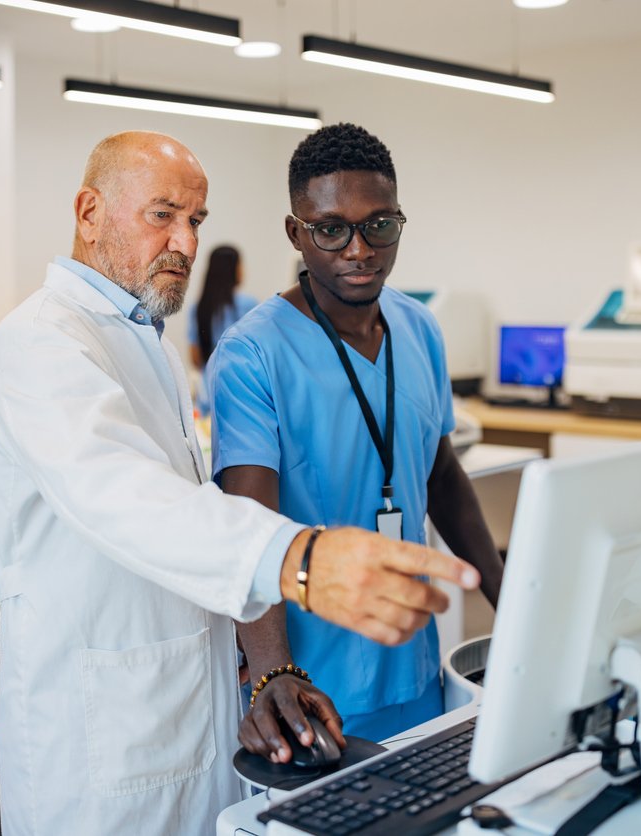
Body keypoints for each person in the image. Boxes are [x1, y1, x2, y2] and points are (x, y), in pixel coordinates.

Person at [0, 130, 483, 836]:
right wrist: (300, 560)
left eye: (196, 220)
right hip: (99, 739)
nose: (184, 240)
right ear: (89, 213)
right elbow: (125, 498)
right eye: (161, 215)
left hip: (187, 714)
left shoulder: (142, 338)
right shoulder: (40, 345)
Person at [209, 123, 505, 762]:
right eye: (330, 228)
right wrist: (274, 675)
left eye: (379, 225)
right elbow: (246, 526)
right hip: (314, 684)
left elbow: (440, 472)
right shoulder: (252, 355)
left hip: (414, 662)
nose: (358, 249)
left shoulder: (419, 327)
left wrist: (507, 598)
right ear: (296, 232)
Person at [186, 245, 257, 416]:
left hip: (207, 394)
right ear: (235, 269)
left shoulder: (198, 308)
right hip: (240, 391)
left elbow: (195, 357)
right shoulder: (249, 306)